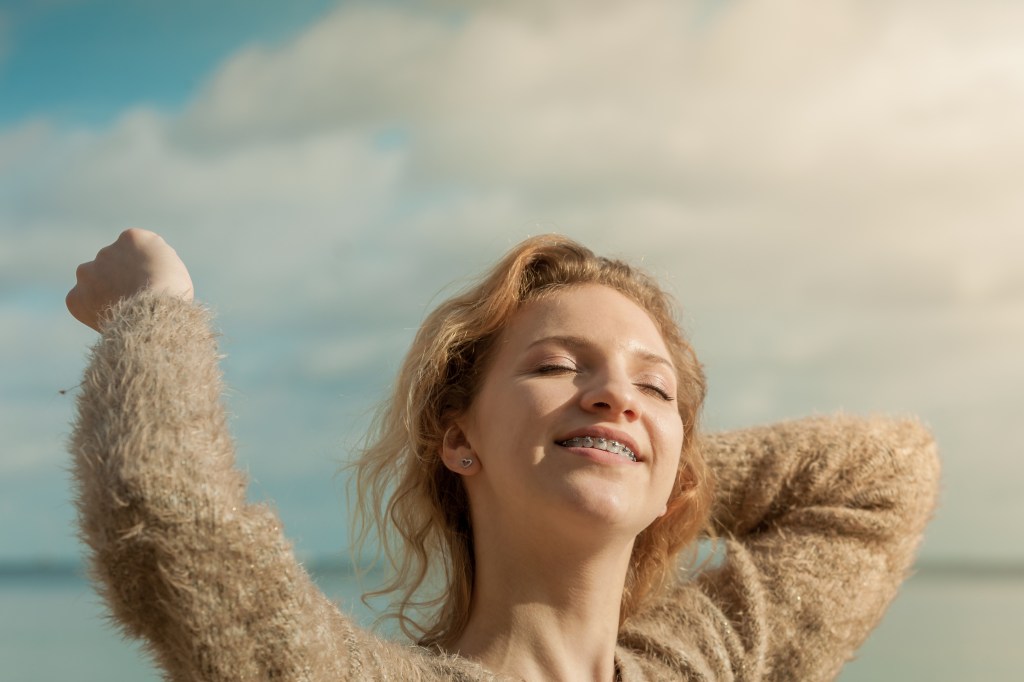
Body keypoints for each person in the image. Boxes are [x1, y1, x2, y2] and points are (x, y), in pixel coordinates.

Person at [66, 228, 940, 681]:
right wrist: (155, 309)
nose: (616, 396)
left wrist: (662, 474)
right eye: (560, 367)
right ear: (458, 437)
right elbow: (168, 524)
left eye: (655, 388)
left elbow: (886, 475)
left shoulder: (707, 662)